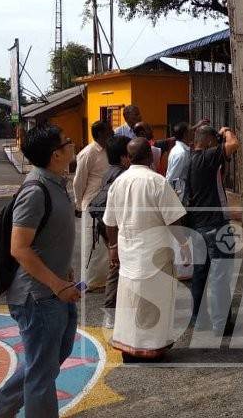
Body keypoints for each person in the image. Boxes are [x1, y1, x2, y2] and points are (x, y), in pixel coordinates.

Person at [0, 125, 81, 418]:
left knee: (51, 359)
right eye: (69, 141)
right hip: (36, 297)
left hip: (54, 289)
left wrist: (65, 270)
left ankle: (1, 404)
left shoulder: (57, 183)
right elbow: (19, 248)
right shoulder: (36, 191)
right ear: (56, 154)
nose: (73, 145)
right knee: (42, 374)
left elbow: (48, 238)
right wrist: (56, 284)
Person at [102, 138, 188, 362]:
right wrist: (184, 245)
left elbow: (109, 222)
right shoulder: (157, 182)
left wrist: (113, 247)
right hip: (155, 253)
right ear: (151, 156)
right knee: (156, 301)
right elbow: (173, 220)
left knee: (130, 301)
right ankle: (151, 348)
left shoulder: (118, 183)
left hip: (129, 252)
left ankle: (129, 348)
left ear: (128, 158)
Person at [186, 125, 239, 334]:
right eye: (214, 140)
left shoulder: (192, 160)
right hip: (214, 226)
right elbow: (233, 144)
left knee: (200, 274)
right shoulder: (206, 158)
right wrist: (226, 132)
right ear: (208, 141)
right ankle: (220, 324)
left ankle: (199, 320)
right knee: (220, 276)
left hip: (197, 225)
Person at [87, 134, 131, 329]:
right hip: (115, 229)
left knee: (118, 267)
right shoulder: (122, 177)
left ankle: (118, 311)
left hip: (105, 226)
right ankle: (110, 314)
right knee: (117, 268)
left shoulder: (108, 172)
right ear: (123, 157)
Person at [73, 120, 113, 290]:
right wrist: (78, 204)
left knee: (106, 244)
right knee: (92, 243)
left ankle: (104, 280)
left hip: (107, 202)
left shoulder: (110, 150)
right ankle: (91, 281)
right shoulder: (88, 153)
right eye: (108, 132)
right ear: (99, 135)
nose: (112, 133)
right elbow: (78, 182)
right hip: (91, 203)